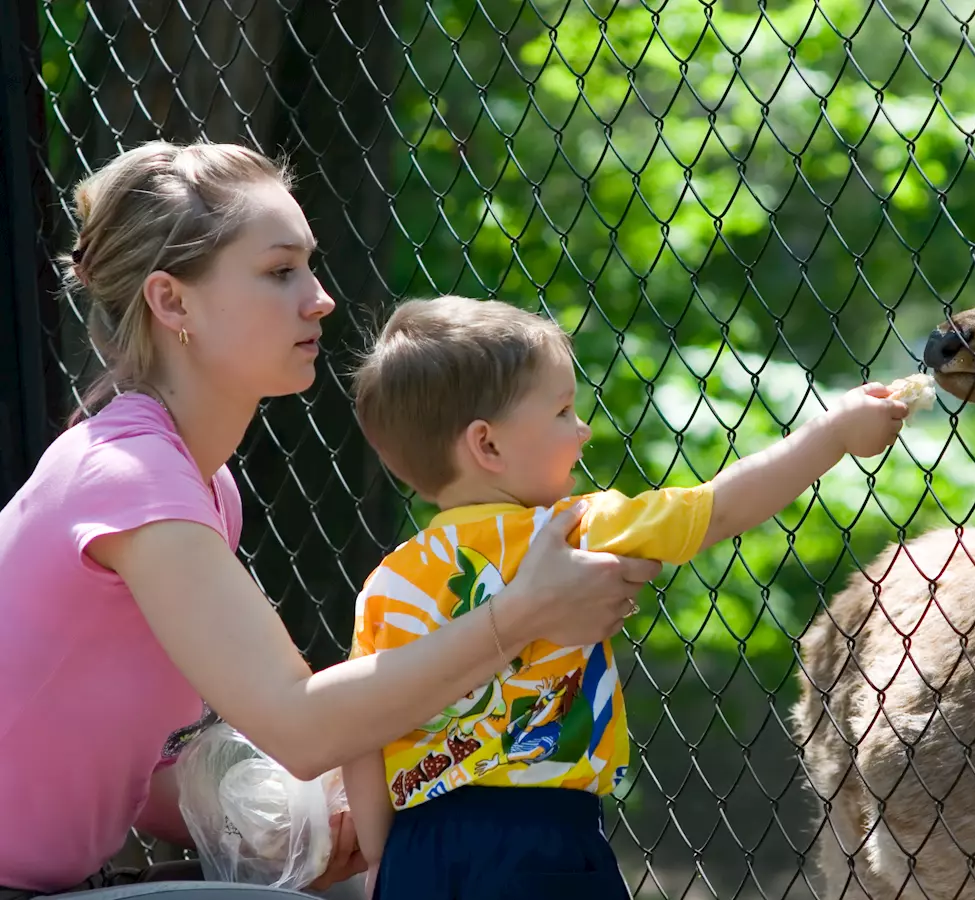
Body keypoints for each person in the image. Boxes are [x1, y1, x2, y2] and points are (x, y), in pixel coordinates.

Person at [0, 142, 661, 898]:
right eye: (281, 272)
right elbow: (302, 725)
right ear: (171, 302)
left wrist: (295, 827)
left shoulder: (202, 487)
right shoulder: (131, 481)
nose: (320, 298)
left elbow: (114, 762)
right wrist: (525, 611)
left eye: (309, 267)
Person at [342, 296, 917, 898]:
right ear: (488, 446)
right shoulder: (573, 530)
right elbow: (719, 507)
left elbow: (359, 729)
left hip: (419, 845)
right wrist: (834, 434)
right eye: (563, 411)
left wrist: (386, 858)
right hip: (540, 840)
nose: (583, 427)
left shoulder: (388, 583)